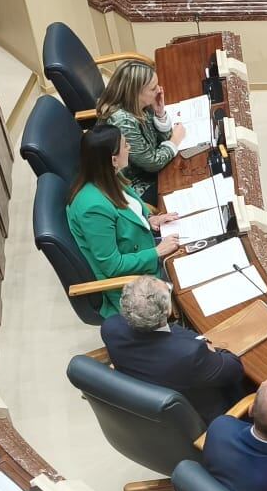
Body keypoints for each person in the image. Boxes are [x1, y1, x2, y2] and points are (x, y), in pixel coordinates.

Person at [66, 123, 180, 319]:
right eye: (125, 145)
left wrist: (151, 219)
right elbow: (113, 266)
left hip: (146, 254)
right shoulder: (93, 209)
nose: (129, 148)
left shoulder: (108, 177)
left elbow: (129, 206)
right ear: (113, 159)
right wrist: (157, 251)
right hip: (132, 285)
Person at [101, 275, 246, 421]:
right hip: (203, 416)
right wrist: (206, 344)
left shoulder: (110, 328)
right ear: (167, 310)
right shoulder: (189, 354)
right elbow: (234, 369)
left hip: (149, 407)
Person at [94, 59, 184, 201]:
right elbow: (152, 163)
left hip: (148, 171)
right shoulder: (122, 121)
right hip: (134, 186)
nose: (159, 90)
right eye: (153, 88)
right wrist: (174, 141)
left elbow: (159, 142)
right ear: (135, 92)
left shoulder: (139, 104)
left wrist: (160, 114)